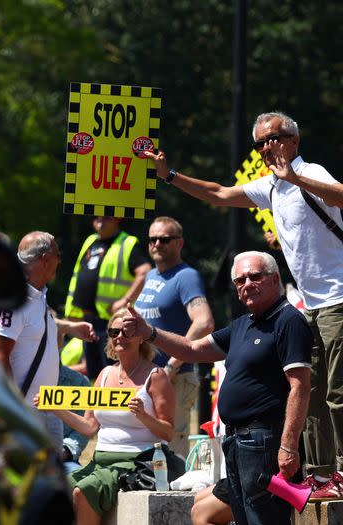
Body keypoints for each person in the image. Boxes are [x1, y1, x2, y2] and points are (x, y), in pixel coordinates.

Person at [143, 111, 343, 496]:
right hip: (309, 306)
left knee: (338, 392)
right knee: (311, 392)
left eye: (275, 138)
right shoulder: (269, 188)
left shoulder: (310, 172)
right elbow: (218, 194)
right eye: (261, 142)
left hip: (337, 300)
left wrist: (295, 178)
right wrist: (169, 175)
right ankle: (320, 476)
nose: (268, 147)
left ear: (294, 141)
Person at [122, 250, 312, 525]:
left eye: (255, 276)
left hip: (264, 440)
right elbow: (191, 349)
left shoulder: (288, 320)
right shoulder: (243, 325)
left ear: (274, 279)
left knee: (264, 518)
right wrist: (150, 332)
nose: (247, 284)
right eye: (240, 280)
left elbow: (300, 387)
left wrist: (288, 446)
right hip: (236, 441)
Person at [35, 307, 174, 525]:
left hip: (137, 461)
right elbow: (89, 427)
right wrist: (54, 407)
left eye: (127, 332)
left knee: (83, 491)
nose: (120, 337)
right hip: (100, 460)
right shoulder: (104, 374)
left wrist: (143, 416)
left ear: (140, 337)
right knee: (56, 489)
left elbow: (168, 432)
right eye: (114, 332)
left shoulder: (155, 376)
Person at [0, 231, 96, 447]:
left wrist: (69, 327)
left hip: (48, 408)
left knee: (50, 475)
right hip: (25, 412)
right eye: (58, 255)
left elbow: (32, 329)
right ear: (46, 259)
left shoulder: (37, 295)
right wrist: (15, 407)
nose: (60, 260)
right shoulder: (13, 299)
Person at [134, 216, 215, 458]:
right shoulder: (151, 277)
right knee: (149, 446)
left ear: (179, 243)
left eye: (164, 239)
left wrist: (172, 365)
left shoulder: (186, 276)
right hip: (149, 377)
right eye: (152, 240)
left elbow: (204, 322)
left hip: (175, 378)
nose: (156, 244)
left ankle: (173, 497)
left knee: (171, 451)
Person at [62, 216, 152, 380]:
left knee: (112, 374)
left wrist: (125, 301)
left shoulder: (127, 243)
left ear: (118, 218)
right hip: (89, 321)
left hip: (111, 325)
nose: (100, 220)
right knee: (94, 376)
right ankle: (96, 407)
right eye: (96, 216)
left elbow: (145, 271)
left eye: (107, 216)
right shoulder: (91, 240)